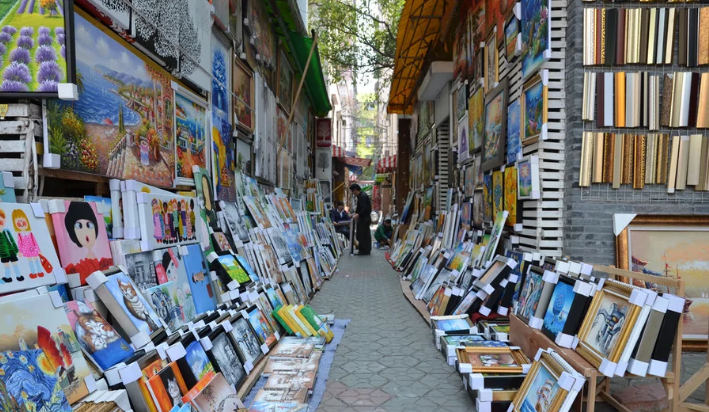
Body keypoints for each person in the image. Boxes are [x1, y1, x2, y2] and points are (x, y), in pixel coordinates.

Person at [350, 184, 372, 255]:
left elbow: (365, 208)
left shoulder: (362, 196)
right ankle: (365, 249)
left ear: (356, 190)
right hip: (365, 218)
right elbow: (360, 208)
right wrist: (356, 213)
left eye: (353, 191)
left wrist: (358, 214)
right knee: (365, 234)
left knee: (362, 234)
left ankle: (363, 250)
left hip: (364, 218)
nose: (353, 193)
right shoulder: (361, 196)